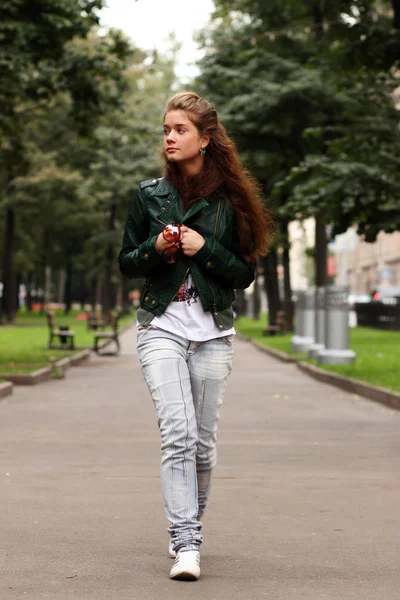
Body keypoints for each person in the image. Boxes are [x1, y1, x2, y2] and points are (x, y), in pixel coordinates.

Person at [118, 92, 271, 581]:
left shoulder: (231, 203)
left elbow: (242, 273)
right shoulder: (148, 196)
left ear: (205, 139)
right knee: (178, 434)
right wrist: (157, 247)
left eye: (180, 130)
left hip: (212, 333)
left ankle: (189, 528)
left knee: (202, 445)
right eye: (166, 129)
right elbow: (127, 262)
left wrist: (203, 248)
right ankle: (186, 542)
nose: (169, 137)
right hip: (160, 326)